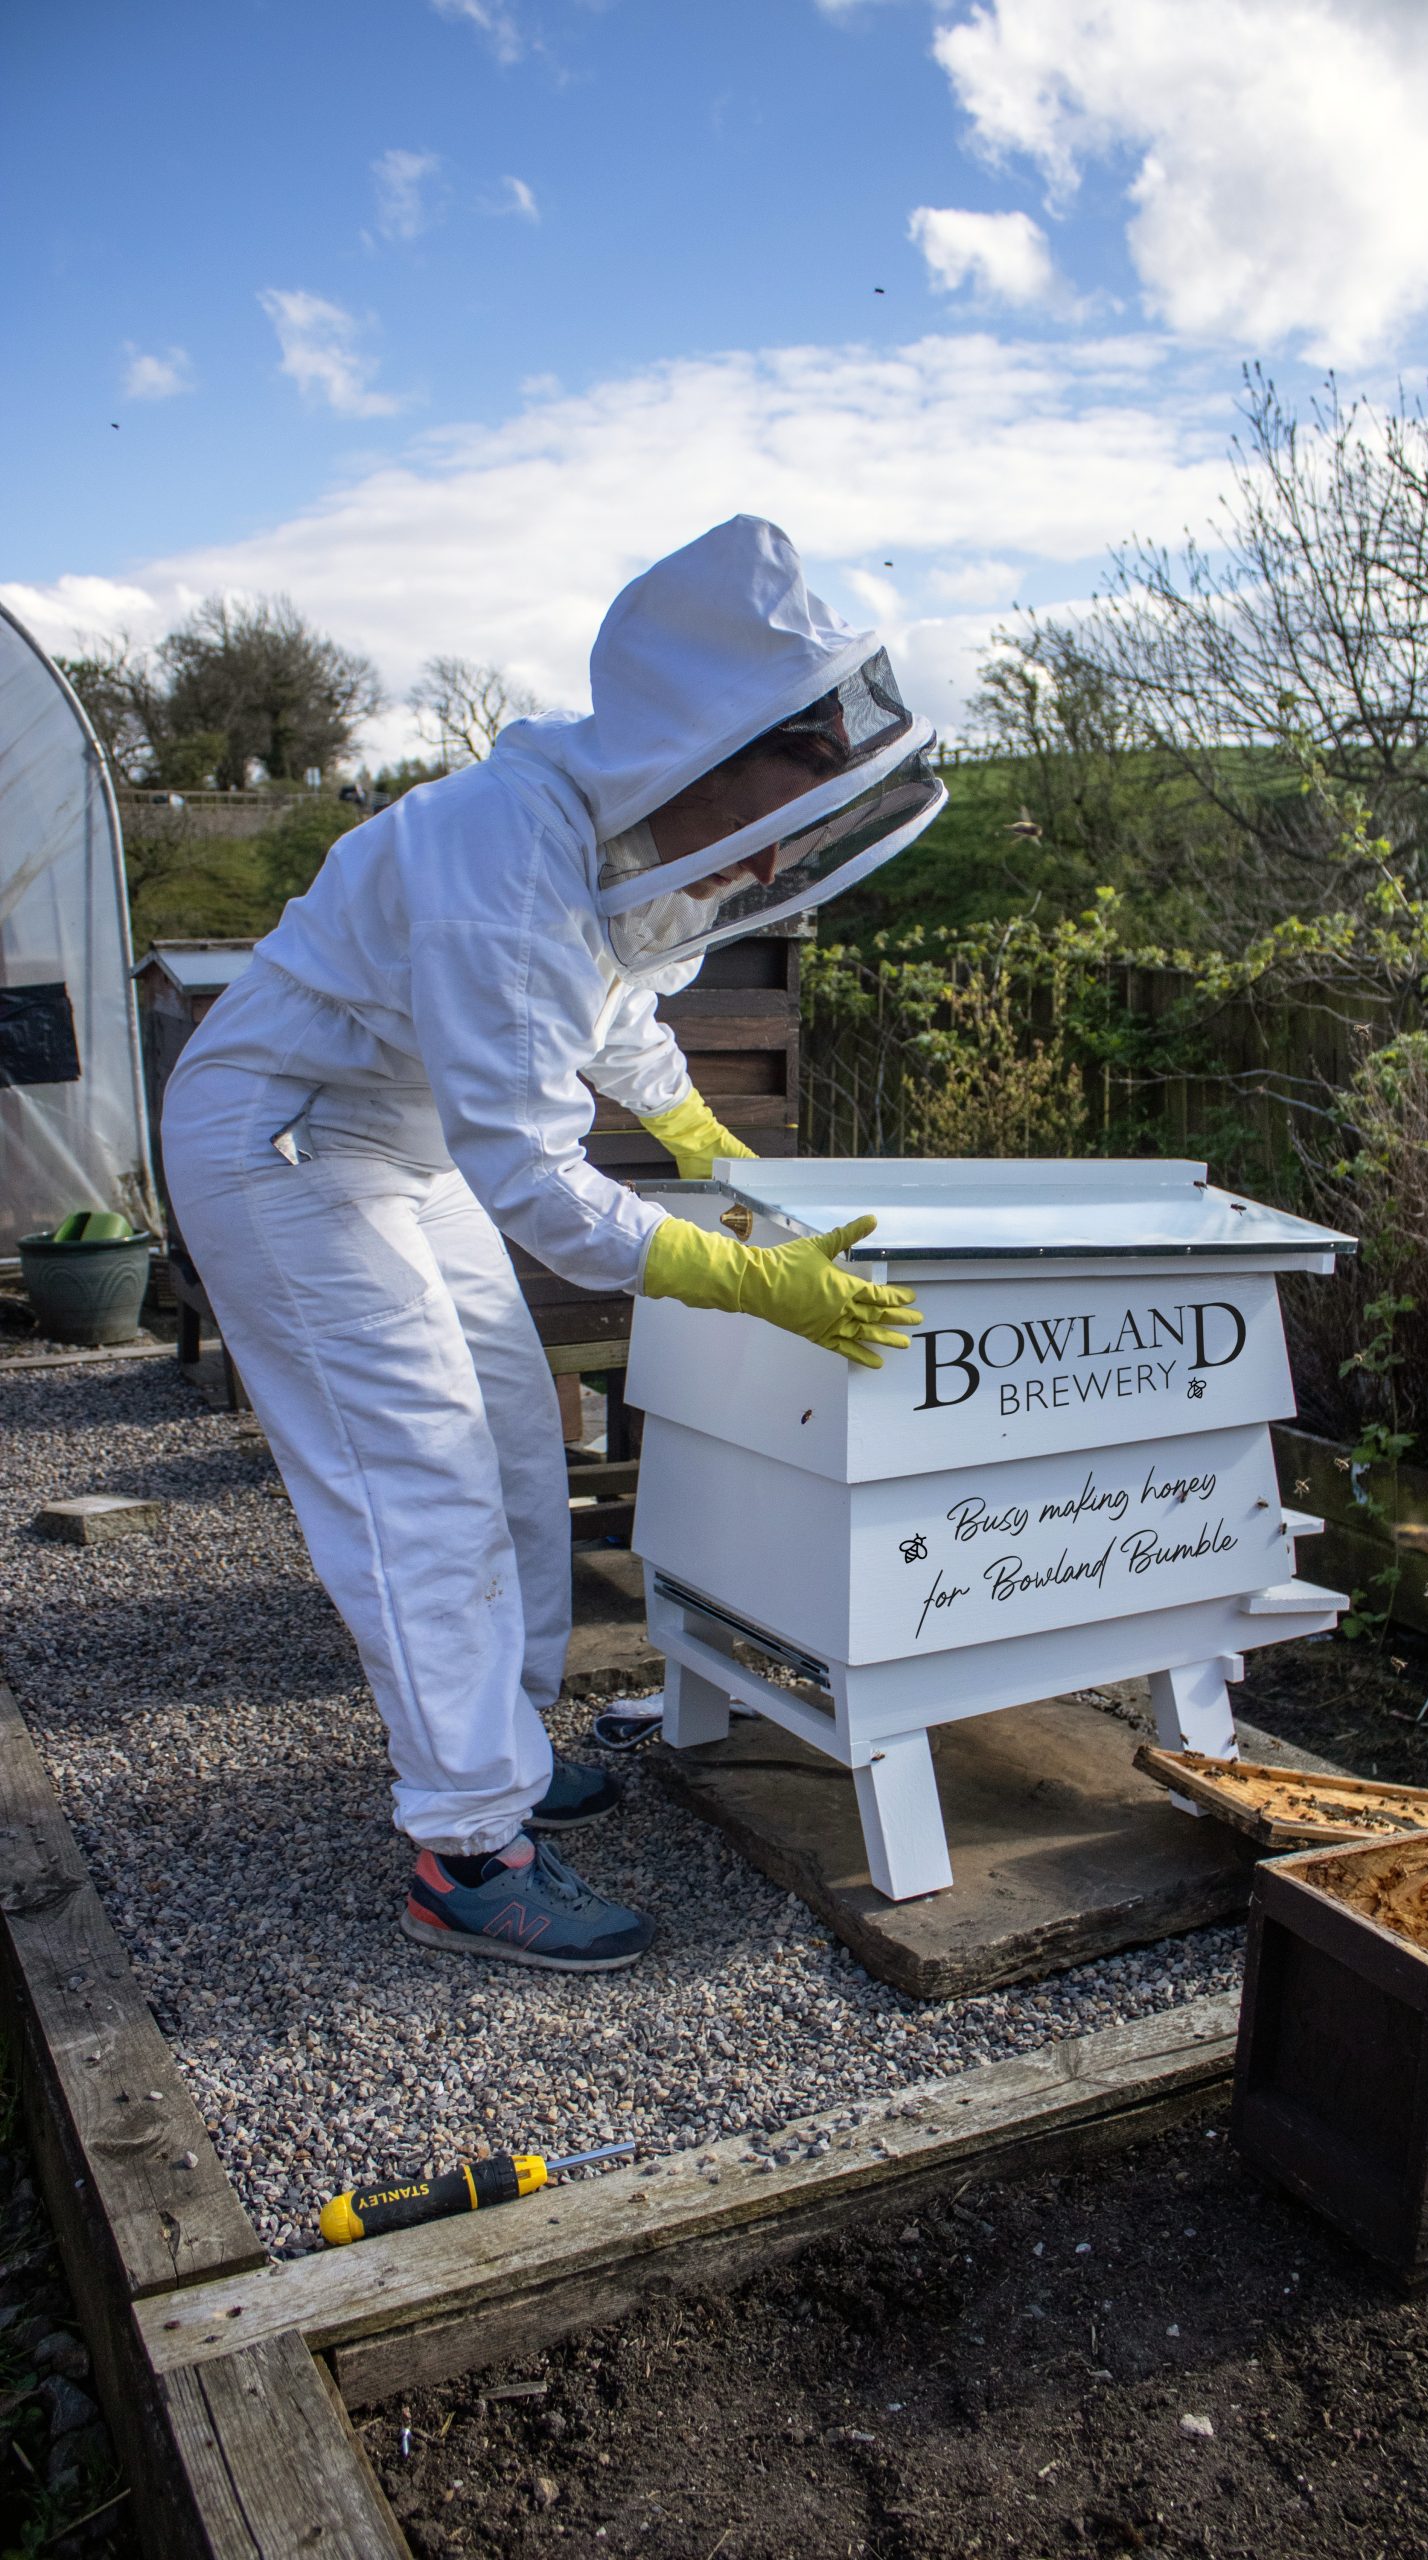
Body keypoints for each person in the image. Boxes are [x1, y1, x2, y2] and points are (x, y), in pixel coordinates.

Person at [161, 517, 944, 1974]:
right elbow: (531, 1175)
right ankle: (468, 1848)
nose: (782, 849)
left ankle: (506, 1750)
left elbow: (615, 1017)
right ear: (713, 736)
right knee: (422, 1475)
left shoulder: (620, 839)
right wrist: (743, 1281)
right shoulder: (497, 845)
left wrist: (711, 1145)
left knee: (521, 1439)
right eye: (791, 796)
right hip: (285, 1144)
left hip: (398, 1144)